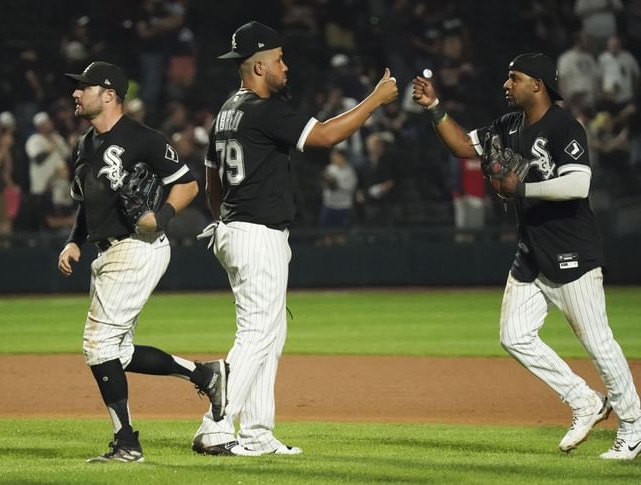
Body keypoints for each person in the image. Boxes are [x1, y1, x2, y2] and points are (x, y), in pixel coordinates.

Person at [412, 52, 641, 460]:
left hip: (571, 250)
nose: (506, 84)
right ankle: (585, 400)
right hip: (532, 252)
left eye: (513, 77)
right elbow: (465, 146)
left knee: (598, 342)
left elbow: (578, 185)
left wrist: (522, 190)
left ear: (537, 84)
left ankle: (634, 426)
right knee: (514, 335)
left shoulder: (563, 126)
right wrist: (434, 108)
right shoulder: (508, 126)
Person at [193, 21, 397, 456]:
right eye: (280, 59)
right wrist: (376, 100)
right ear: (260, 66)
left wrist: (225, 218)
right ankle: (215, 425)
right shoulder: (264, 109)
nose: (286, 66)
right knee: (256, 333)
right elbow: (325, 135)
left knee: (272, 332)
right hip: (255, 234)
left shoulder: (227, 109)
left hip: (239, 229)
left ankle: (257, 431)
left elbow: (211, 175)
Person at [57, 61, 227, 463]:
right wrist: (74, 241)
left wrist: (161, 217)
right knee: (121, 351)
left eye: (85, 87)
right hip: (108, 251)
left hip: (138, 246)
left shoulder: (144, 138)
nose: (76, 93)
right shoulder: (86, 144)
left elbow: (187, 184)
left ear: (110, 94)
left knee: (97, 345)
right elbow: (85, 203)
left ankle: (127, 443)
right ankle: (204, 374)